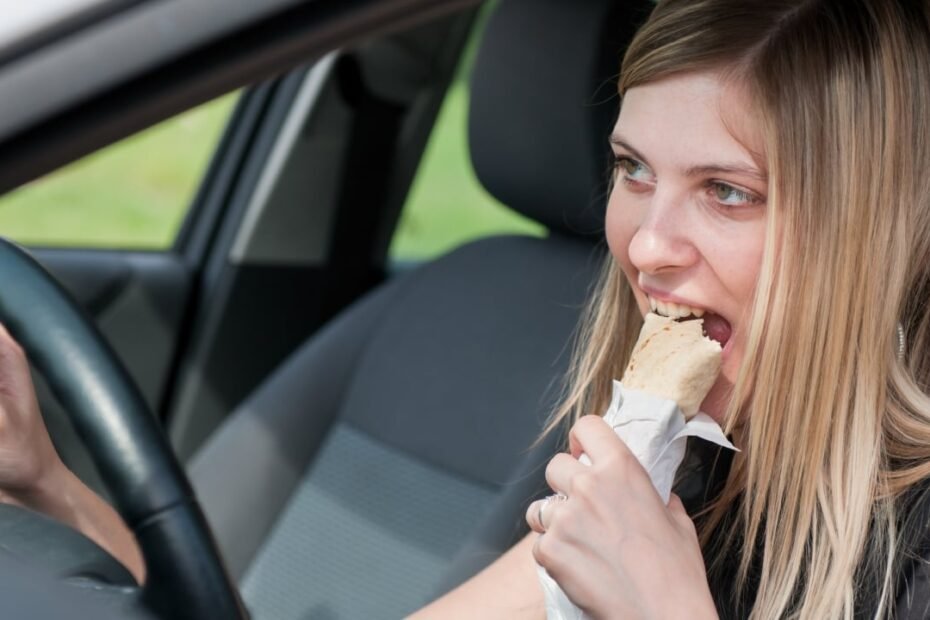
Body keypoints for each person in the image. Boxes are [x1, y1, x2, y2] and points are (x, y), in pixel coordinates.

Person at [1, 0, 930, 617]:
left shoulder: (910, 548)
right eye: (633, 170)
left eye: (728, 191)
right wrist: (49, 483)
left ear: (867, 230)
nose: (648, 243)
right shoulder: (672, 470)